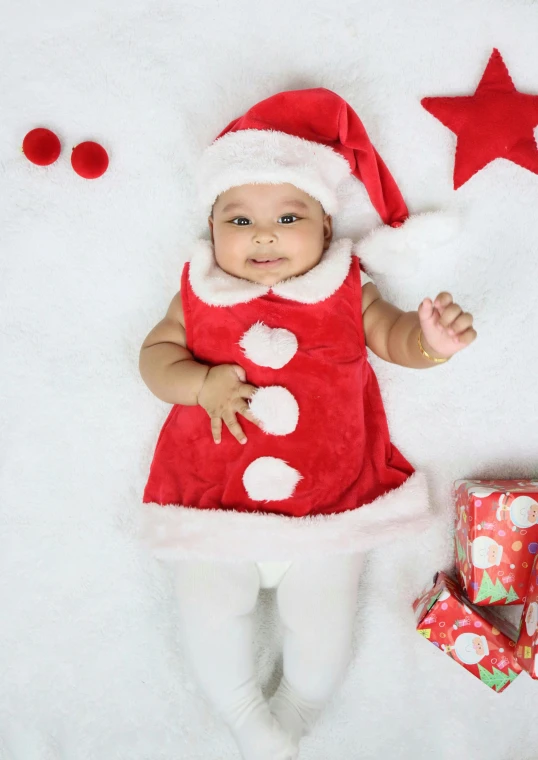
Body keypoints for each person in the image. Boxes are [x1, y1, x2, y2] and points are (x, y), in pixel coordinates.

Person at [138, 88, 477, 760]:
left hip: (330, 507)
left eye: (288, 215)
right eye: (238, 220)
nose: (263, 234)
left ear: (327, 229)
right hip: (216, 500)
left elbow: (393, 337)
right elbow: (153, 359)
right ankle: (241, 712)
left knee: (322, 631)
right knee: (209, 608)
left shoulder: (347, 287)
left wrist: (430, 340)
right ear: (210, 232)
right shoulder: (200, 291)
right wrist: (199, 382)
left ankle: (293, 714)